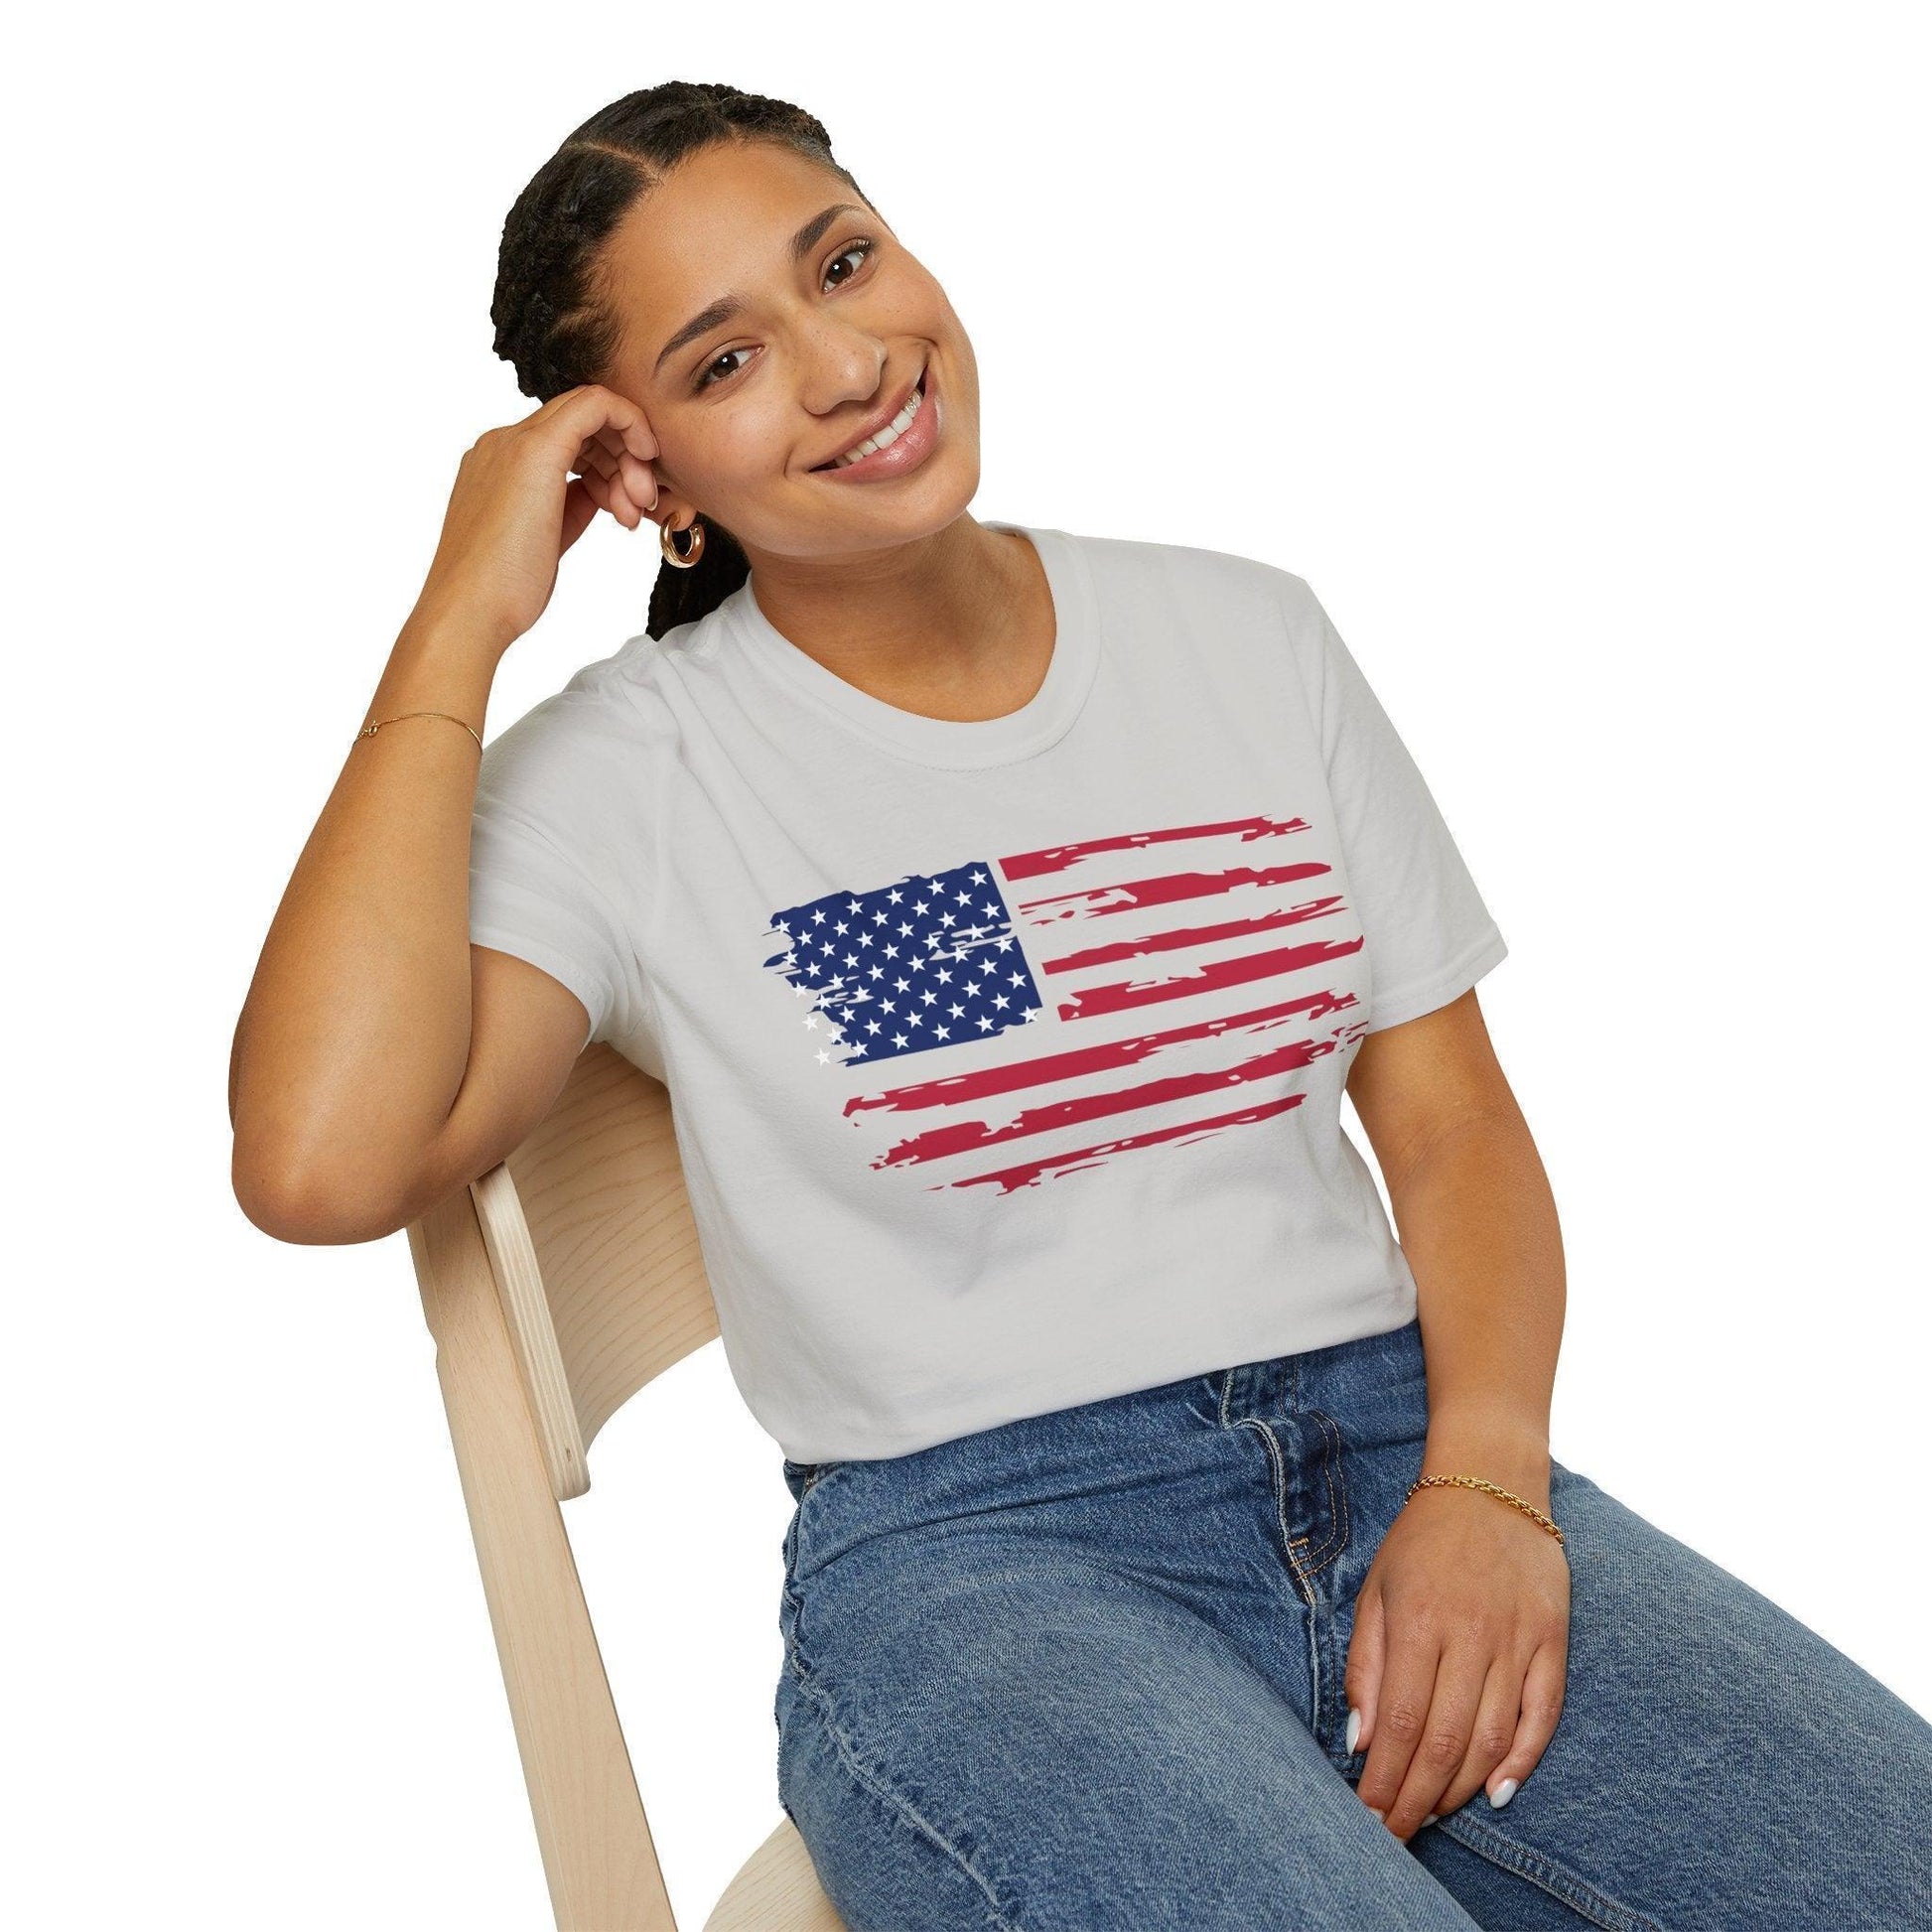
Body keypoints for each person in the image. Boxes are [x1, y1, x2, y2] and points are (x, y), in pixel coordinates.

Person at [229, 80, 1932, 1930]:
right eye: (725, 363)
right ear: (645, 479)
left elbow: (1449, 1127)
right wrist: (454, 620)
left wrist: (1490, 1487)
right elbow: (322, 1160)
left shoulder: (1246, 635)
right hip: (982, 1564)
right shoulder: (635, 774)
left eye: (846, 263)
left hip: (1402, 1446)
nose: (846, 362)